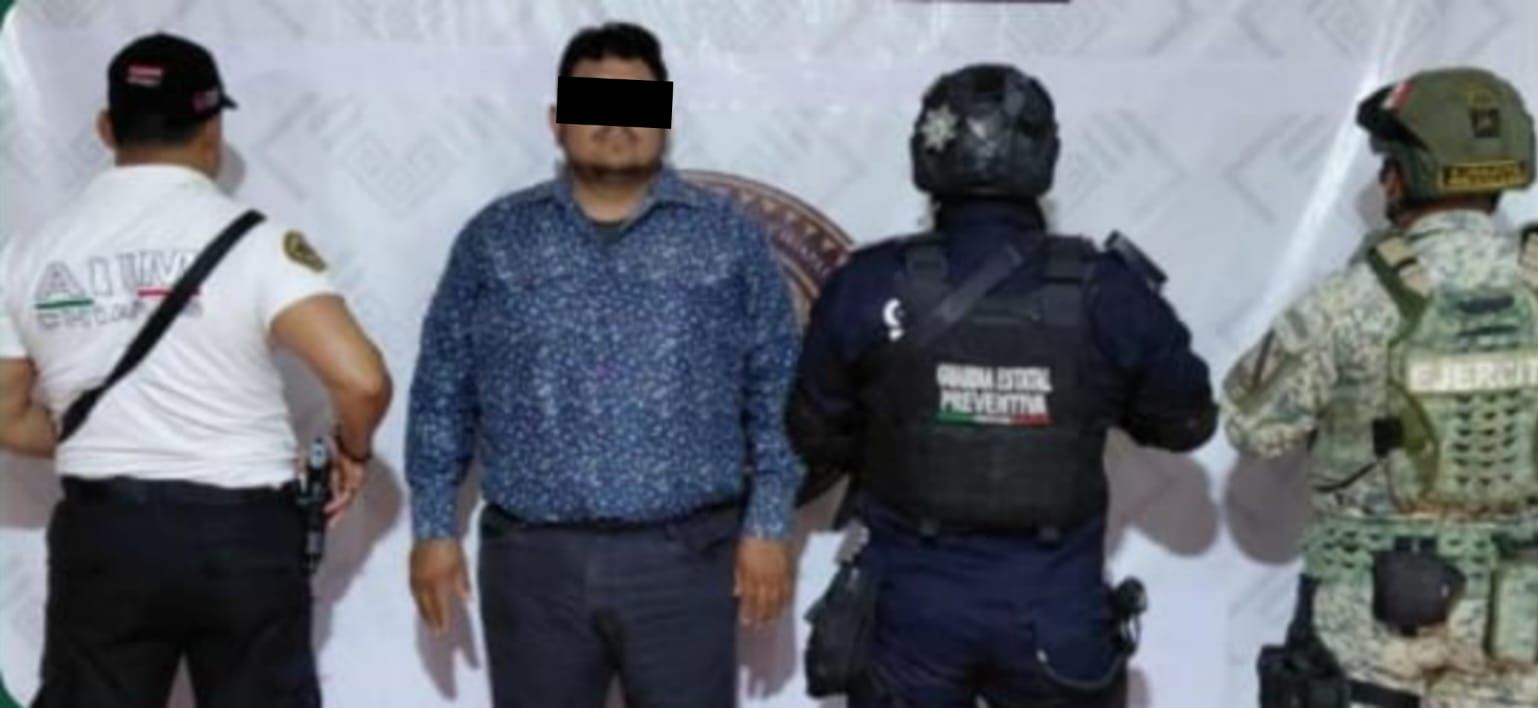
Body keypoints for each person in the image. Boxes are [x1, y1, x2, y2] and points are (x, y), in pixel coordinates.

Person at [787, 63, 1218, 707]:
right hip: (1054, 610)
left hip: (912, 611)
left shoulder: (869, 283)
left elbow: (813, 432)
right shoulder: (1107, 290)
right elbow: (1186, 423)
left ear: (927, 154)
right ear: (1044, 156)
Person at [404, 21, 804, 708]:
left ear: (665, 117)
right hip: (534, 566)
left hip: (686, 562)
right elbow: (442, 388)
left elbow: (778, 388)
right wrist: (434, 528)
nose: (616, 122)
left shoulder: (727, 238)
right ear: (557, 119)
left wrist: (769, 525)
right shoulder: (496, 239)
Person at [0, 33, 393, 706]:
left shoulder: (28, 255)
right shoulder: (258, 243)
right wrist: (352, 451)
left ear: (106, 128)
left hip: (104, 535)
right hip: (243, 536)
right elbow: (362, 380)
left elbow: (6, 416)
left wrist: (106, 435)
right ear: (212, 129)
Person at [1224, 66, 1538, 707]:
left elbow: (1251, 427)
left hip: (1375, 616)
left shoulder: (1351, 299)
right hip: (1522, 611)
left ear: (1402, 175)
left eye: (1387, 164)